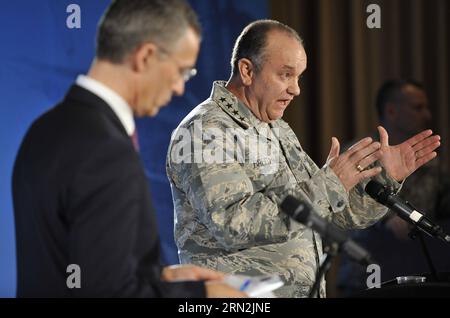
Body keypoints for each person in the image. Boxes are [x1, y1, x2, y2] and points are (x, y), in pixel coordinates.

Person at [166, 20, 441, 297]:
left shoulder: (276, 127)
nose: (296, 89)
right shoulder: (206, 132)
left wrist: (385, 179)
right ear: (247, 71)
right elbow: (234, 224)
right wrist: (328, 184)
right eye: (285, 75)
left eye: (298, 77)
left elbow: (335, 215)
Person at [12, 0, 245, 298]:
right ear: (146, 56)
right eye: (182, 72)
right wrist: (205, 296)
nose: (179, 89)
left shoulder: (43, 130)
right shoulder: (105, 149)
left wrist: (160, 278)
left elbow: (76, 265)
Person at [337, 80, 450, 296]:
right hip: (365, 276)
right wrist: (385, 222)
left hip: (417, 277)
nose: (427, 115)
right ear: (391, 111)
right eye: (418, 107)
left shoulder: (430, 160)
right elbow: (335, 213)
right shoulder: (357, 155)